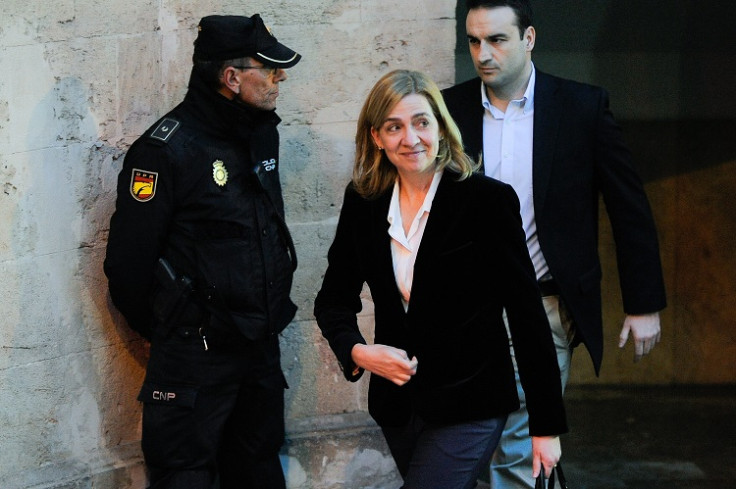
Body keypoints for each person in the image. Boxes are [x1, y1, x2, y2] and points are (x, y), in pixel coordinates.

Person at [442, 1, 667, 487]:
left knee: (519, 442)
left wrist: (643, 303)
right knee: (475, 440)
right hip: (464, 309)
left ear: (529, 39)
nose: (483, 53)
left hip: (543, 303)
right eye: (474, 41)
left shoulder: (582, 107)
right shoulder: (448, 110)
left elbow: (628, 207)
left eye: (497, 40)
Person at [313, 69, 567, 489]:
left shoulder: (487, 201)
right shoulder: (363, 203)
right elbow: (333, 300)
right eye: (394, 127)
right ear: (376, 137)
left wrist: (546, 427)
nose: (410, 139)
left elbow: (527, 317)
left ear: (441, 128)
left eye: (421, 122)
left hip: (472, 402)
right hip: (398, 406)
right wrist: (358, 352)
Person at [104, 14, 301, 489]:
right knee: (185, 477)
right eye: (269, 69)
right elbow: (128, 268)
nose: (280, 77)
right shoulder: (163, 151)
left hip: (258, 349)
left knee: (259, 469)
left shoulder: (261, 132)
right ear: (231, 78)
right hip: (195, 359)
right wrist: (180, 330)